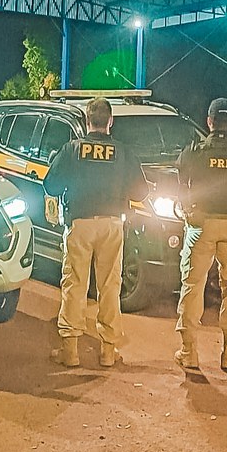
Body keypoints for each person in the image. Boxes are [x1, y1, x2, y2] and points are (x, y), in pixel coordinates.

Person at [43, 97, 149, 368]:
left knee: (74, 285)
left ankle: (71, 351)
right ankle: (108, 351)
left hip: (79, 223)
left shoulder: (71, 149)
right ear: (110, 122)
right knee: (110, 286)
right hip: (112, 224)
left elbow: (51, 184)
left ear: (86, 121)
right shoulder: (123, 152)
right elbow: (141, 192)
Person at [174, 97, 227, 371]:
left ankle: (189, 352)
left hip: (202, 225)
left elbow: (181, 177)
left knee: (193, 286)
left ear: (209, 122)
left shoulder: (193, 151)